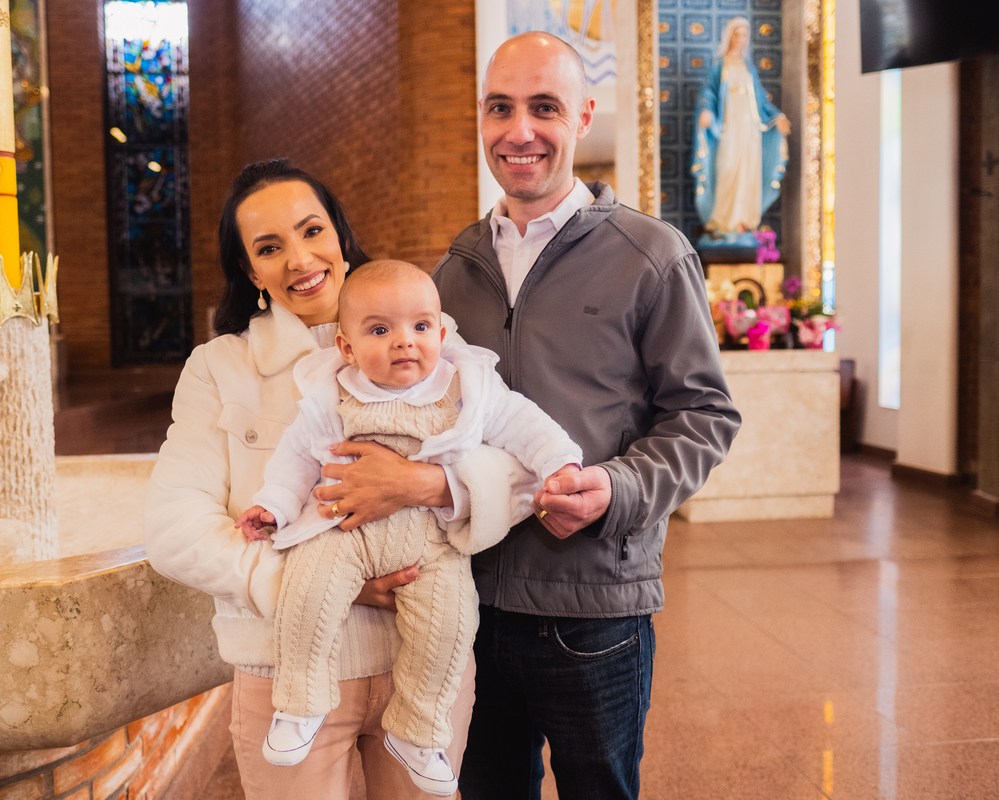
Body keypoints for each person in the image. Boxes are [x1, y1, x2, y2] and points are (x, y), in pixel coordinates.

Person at [144, 159, 530, 800]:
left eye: (312, 231)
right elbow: (173, 528)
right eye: (270, 247)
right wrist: (325, 583)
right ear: (252, 272)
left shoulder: (431, 342)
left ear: (341, 238)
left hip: (424, 668)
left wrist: (424, 485)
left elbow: (518, 468)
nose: (299, 259)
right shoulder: (221, 368)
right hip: (285, 676)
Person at [433, 32, 741, 799]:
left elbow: (704, 414)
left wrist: (617, 489)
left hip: (593, 608)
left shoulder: (650, 254)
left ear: (583, 117)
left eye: (545, 107)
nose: (520, 131)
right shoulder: (453, 270)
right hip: (470, 604)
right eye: (500, 108)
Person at [235, 261, 582, 796]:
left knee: (451, 622)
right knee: (307, 591)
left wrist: (560, 462)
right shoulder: (332, 395)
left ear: (441, 334)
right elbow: (295, 461)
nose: (404, 342)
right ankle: (300, 704)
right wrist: (274, 507)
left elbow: (522, 422)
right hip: (341, 531)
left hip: (430, 542)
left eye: (420, 327)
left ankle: (418, 733)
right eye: (380, 330)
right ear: (347, 348)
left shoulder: (465, 388)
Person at [693, 16, 791, 246]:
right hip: (728, 130)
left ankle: (744, 223)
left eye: (744, 35)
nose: (740, 39)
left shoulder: (748, 67)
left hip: (749, 131)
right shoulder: (719, 65)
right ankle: (721, 222)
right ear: (729, 36)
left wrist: (777, 117)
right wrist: (706, 110)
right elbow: (708, 93)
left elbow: (761, 100)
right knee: (727, 169)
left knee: (748, 173)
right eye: (736, 34)